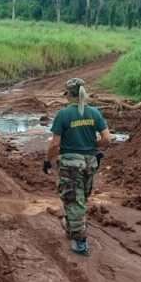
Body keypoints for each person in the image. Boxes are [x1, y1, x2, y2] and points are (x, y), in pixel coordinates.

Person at [43, 78, 111, 256]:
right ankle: (73, 225)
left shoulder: (63, 114)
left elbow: (54, 145)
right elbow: (107, 139)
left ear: (68, 94)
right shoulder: (94, 113)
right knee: (82, 197)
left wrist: (47, 161)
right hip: (90, 163)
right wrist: (91, 145)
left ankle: (81, 243)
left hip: (70, 164)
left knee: (73, 201)